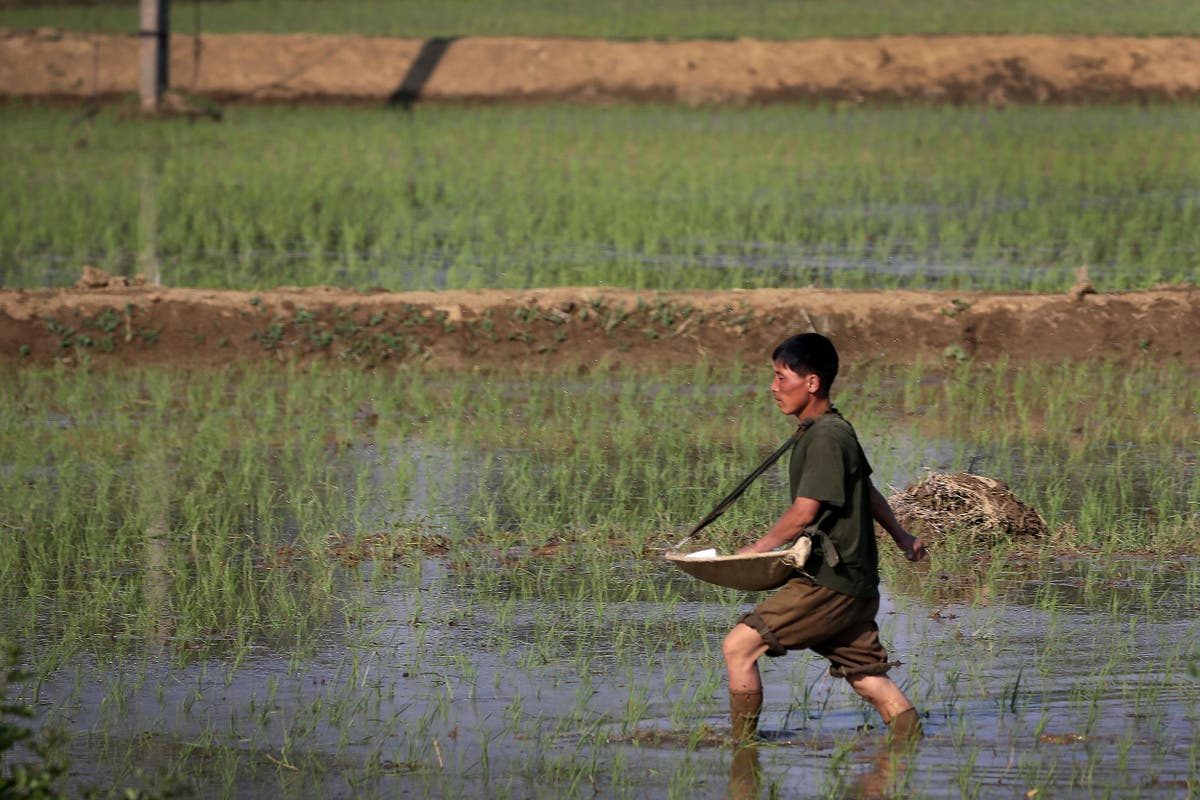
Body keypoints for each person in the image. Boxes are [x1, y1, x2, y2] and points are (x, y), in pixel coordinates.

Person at [721, 333, 927, 744]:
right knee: (868, 679)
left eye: (781, 377)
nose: (773, 387)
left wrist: (757, 549)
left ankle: (742, 752)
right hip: (854, 583)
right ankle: (910, 753)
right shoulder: (830, 429)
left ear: (811, 383)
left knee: (739, 647)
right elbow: (864, 490)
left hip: (829, 584)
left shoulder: (826, 437)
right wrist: (903, 536)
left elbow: (804, 512)